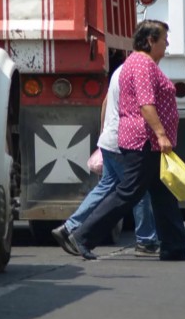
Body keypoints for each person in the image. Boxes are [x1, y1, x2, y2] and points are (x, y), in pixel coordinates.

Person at [59, 20, 185, 261]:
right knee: (128, 193)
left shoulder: (139, 62)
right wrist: (161, 134)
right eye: (164, 39)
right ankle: (82, 237)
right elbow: (146, 104)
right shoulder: (142, 64)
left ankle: (175, 247)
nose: (167, 44)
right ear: (150, 40)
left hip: (147, 141)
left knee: (163, 194)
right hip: (144, 141)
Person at [51, 65, 159, 256]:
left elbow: (105, 103)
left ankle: (69, 227)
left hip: (110, 140)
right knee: (139, 191)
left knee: (106, 187)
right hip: (123, 142)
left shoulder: (120, 71)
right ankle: (146, 240)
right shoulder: (138, 71)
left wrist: (103, 135)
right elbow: (145, 107)